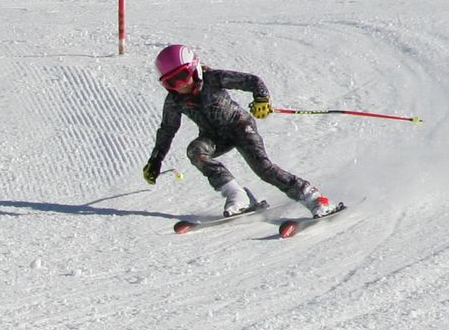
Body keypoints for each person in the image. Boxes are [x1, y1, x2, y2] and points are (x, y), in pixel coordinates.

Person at [141, 45, 333, 219]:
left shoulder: (213, 79)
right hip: (214, 137)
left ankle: (314, 197)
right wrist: (155, 160)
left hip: (239, 126)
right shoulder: (174, 101)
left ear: (195, 68)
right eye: (171, 82)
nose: (180, 85)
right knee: (195, 151)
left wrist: (261, 99)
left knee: (263, 168)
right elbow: (167, 130)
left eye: (183, 75)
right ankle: (236, 194)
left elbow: (252, 81)